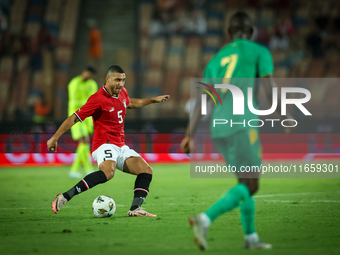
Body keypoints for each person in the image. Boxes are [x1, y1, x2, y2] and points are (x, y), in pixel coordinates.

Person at [181, 12, 293, 250]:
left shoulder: (215, 60)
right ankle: (205, 218)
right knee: (252, 184)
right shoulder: (258, 52)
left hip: (219, 129)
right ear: (251, 32)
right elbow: (269, 88)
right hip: (242, 124)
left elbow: (202, 102)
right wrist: (284, 116)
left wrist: (189, 134)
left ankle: (251, 238)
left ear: (228, 33)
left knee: (244, 182)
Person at [48, 65, 170, 217]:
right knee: (108, 173)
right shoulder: (97, 99)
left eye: (123, 80)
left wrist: (152, 100)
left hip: (120, 145)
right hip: (104, 144)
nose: (121, 84)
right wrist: (54, 137)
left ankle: (135, 209)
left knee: (146, 171)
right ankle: (64, 197)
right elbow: (74, 117)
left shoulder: (122, 93)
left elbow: (130, 103)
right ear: (108, 79)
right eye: (117, 80)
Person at [68, 67, 98, 178]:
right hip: (76, 116)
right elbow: (74, 102)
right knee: (84, 141)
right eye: (89, 74)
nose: (89, 77)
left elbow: (95, 99)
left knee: (85, 143)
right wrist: (88, 103)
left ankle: (74, 170)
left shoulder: (92, 84)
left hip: (88, 118)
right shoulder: (74, 83)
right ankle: (88, 169)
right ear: (84, 72)